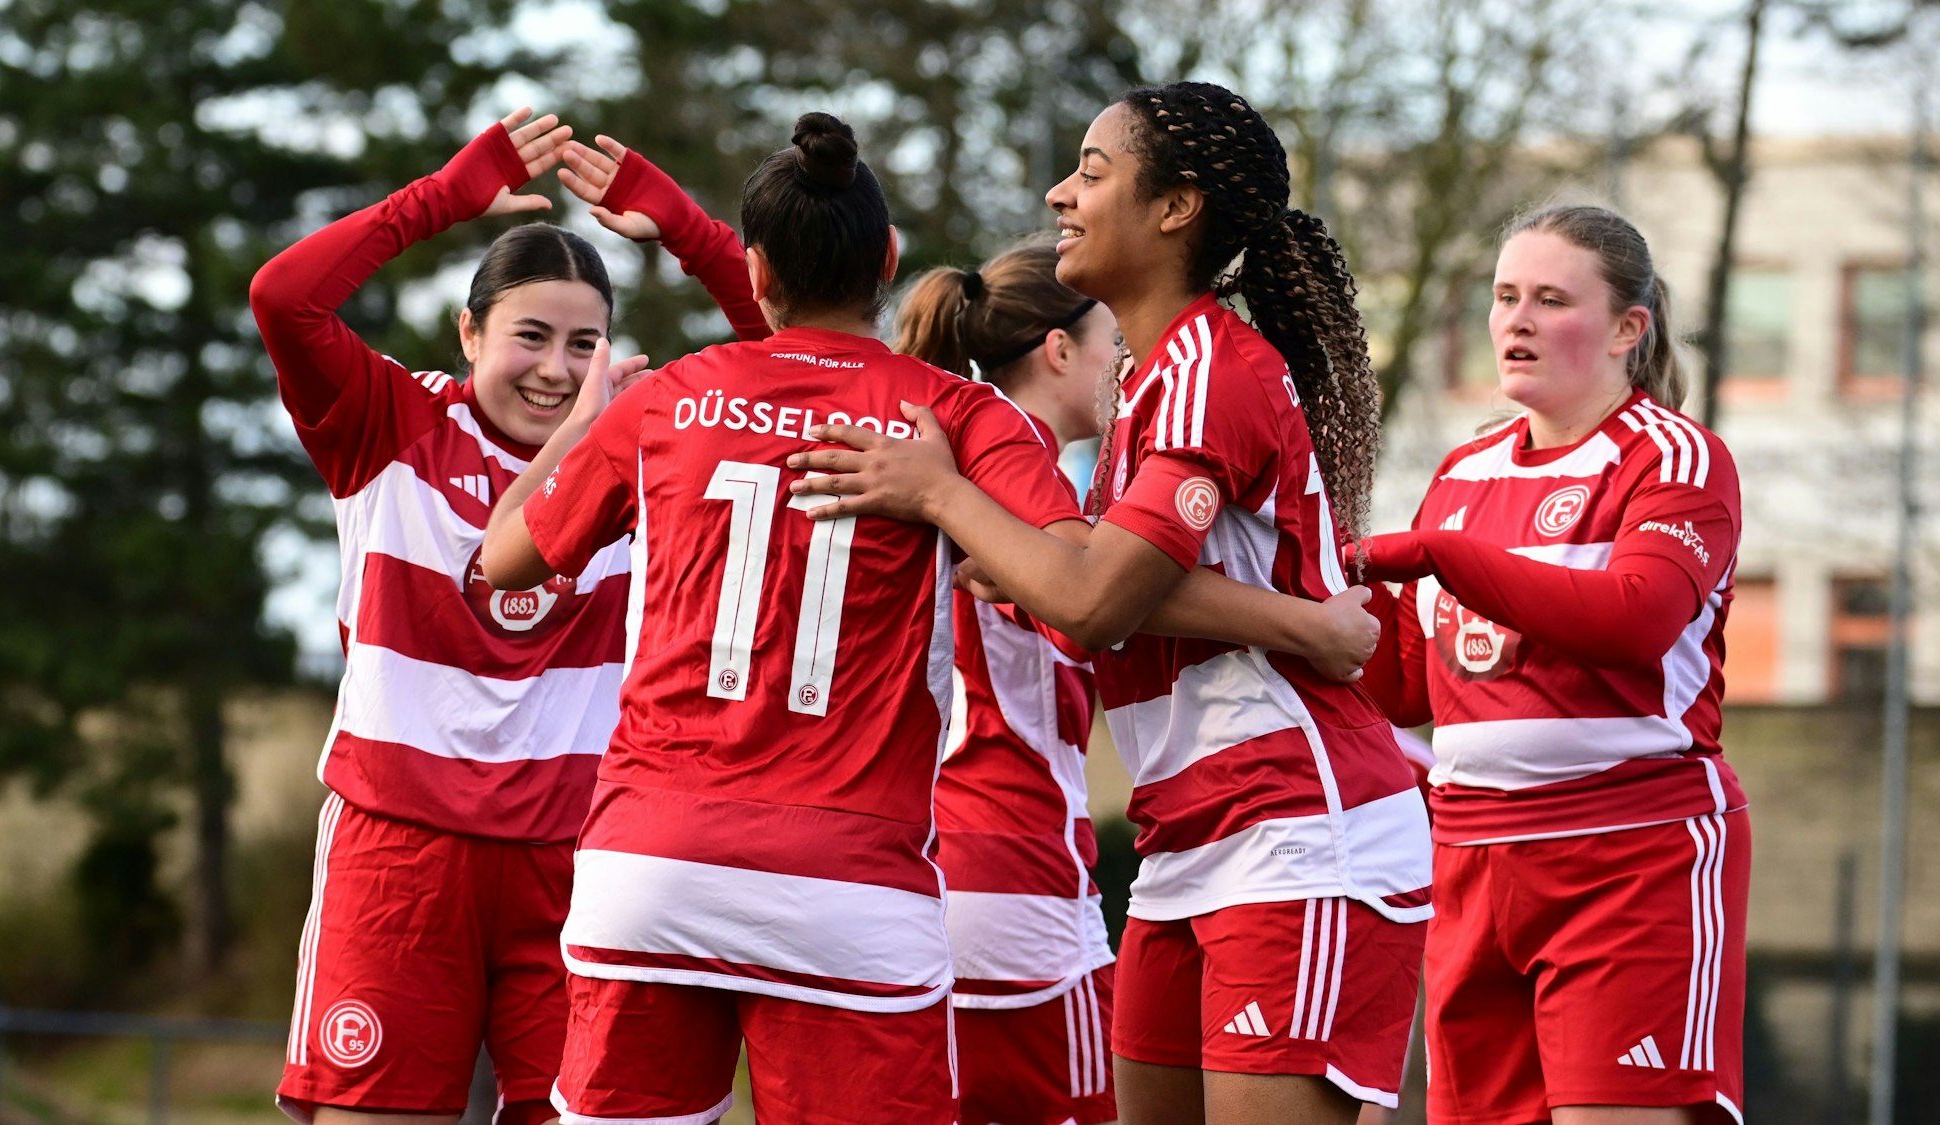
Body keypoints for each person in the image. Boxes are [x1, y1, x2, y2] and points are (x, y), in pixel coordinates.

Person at [786, 81, 1432, 1125]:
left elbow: (1088, 599)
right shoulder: (1147, 376)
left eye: (1091, 173)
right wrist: (1294, 618)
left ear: (1174, 209)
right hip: (1188, 833)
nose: (1058, 194)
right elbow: (1086, 583)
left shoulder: (1206, 369)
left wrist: (941, 494)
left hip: (1297, 831)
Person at [480, 111, 1089, 1125]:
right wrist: (946, 501)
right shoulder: (962, 414)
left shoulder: (665, 399)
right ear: (888, 259)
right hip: (850, 884)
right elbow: (1081, 587)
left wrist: (579, 432)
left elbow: (502, 563)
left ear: (756, 272)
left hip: (649, 867)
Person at [249, 107, 765, 1125]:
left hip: (575, 863)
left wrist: (687, 233)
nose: (555, 368)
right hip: (398, 855)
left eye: (584, 343)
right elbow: (283, 296)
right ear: (468, 332)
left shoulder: (645, 444)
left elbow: (792, 359)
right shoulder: (386, 422)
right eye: (529, 336)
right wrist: (441, 196)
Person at [1351, 204, 1749, 1125]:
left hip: (1626, 852)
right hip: (1471, 858)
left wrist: (1441, 556)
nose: (1517, 320)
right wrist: (1304, 591)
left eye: (1550, 299)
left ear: (1626, 329)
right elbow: (1411, 683)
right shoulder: (1465, 471)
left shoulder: (1677, 457)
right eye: (1503, 297)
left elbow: (1634, 619)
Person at [893, 241, 1124, 1125]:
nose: (1125, 364)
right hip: (1016, 871)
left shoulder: (958, 458)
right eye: (1112, 340)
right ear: (1059, 352)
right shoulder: (1010, 457)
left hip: (941, 865)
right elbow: (1086, 599)